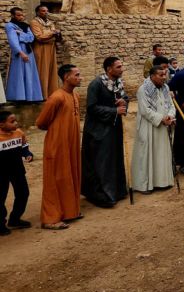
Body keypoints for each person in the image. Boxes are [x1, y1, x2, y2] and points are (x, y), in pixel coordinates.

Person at [36, 64, 83, 230]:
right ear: (66, 77)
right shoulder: (56, 97)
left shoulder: (75, 95)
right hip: (57, 145)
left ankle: (69, 211)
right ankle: (50, 218)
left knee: (70, 176)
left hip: (71, 144)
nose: (80, 78)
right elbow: (41, 122)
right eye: (76, 75)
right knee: (55, 180)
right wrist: (58, 132)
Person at [81, 57, 128, 208]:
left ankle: (117, 191)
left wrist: (124, 102)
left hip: (114, 128)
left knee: (114, 159)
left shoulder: (118, 83)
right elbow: (91, 108)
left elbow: (124, 97)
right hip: (98, 130)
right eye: (118, 67)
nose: (121, 69)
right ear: (109, 69)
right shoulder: (96, 84)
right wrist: (114, 111)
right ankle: (101, 195)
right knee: (101, 162)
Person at [131, 65, 176, 193]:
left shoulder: (165, 88)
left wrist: (170, 116)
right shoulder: (143, 90)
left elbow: (171, 105)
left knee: (162, 154)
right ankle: (145, 185)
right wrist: (161, 119)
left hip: (164, 127)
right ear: (152, 76)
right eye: (160, 75)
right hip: (149, 127)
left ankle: (163, 182)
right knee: (147, 155)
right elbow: (145, 110)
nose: (164, 77)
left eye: (165, 74)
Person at [0, 111, 33, 235]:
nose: (16, 123)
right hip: (1, 174)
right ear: (1, 124)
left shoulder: (19, 133)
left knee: (23, 193)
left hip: (17, 170)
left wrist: (28, 154)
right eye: (12, 121)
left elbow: (24, 147)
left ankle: (15, 219)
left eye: (15, 120)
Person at [5, 7, 43, 102]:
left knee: (30, 72)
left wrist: (21, 33)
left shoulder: (25, 26)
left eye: (22, 15)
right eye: (18, 15)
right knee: (19, 72)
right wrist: (21, 53)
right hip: (19, 51)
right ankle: (19, 97)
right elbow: (13, 40)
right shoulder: (10, 25)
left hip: (28, 51)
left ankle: (30, 97)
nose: (21, 17)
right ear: (13, 15)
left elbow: (31, 38)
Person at [30, 4, 61, 98]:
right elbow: (39, 37)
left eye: (47, 11)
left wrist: (55, 34)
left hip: (51, 48)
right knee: (42, 71)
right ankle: (41, 95)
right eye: (43, 11)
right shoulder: (34, 22)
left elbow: (54, 35)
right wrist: (52, 33)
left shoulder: (50, 23)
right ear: (37, 12)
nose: (46, 13)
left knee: (51, 71)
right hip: (41, 48)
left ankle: (51, 93)